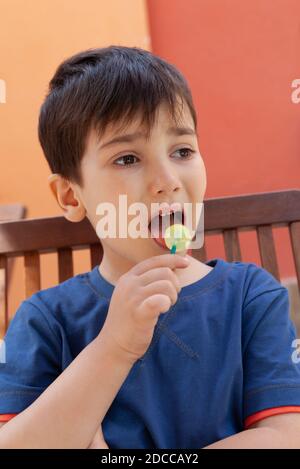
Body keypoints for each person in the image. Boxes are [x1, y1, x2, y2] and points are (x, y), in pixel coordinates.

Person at [0, 46, 300, 449]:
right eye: (127, 158)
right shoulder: (47, 320)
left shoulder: (251, 297)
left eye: (182, 151)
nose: (168, 179)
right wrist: (113, 348)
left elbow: (287, 435)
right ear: (72, 196)